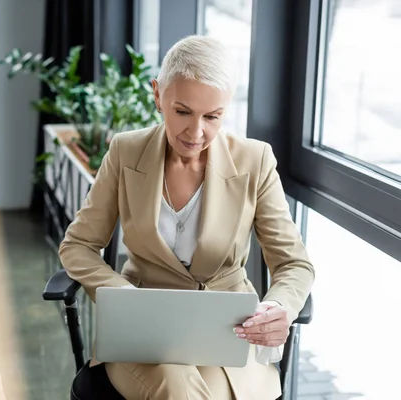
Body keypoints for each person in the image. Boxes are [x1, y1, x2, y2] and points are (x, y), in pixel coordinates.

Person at [58, 35, 315, 400]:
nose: (196, 133)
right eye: (182, 112)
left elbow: (294, 264)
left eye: (212, 117)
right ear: (157, 94)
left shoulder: (254, 161)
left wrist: (280, 308)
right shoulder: (125, 152)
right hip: (145, 332)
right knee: (178, 391)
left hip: (229, 334)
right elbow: (78, 246)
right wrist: (123, 297)